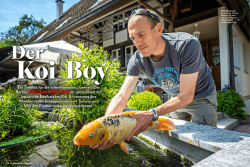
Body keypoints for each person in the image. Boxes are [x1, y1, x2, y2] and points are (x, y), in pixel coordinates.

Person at [90, 8, 218, 150]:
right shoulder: (136, 60)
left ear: (158, 29)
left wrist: (151, 114)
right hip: (175, 97)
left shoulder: (187, 45)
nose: (137, 43)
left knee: (207, 145)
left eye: (141, 35)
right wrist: (105, 127)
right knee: (175, 140)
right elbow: (121, 97)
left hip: (202, 96)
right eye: (133, 38)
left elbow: (187, 95)